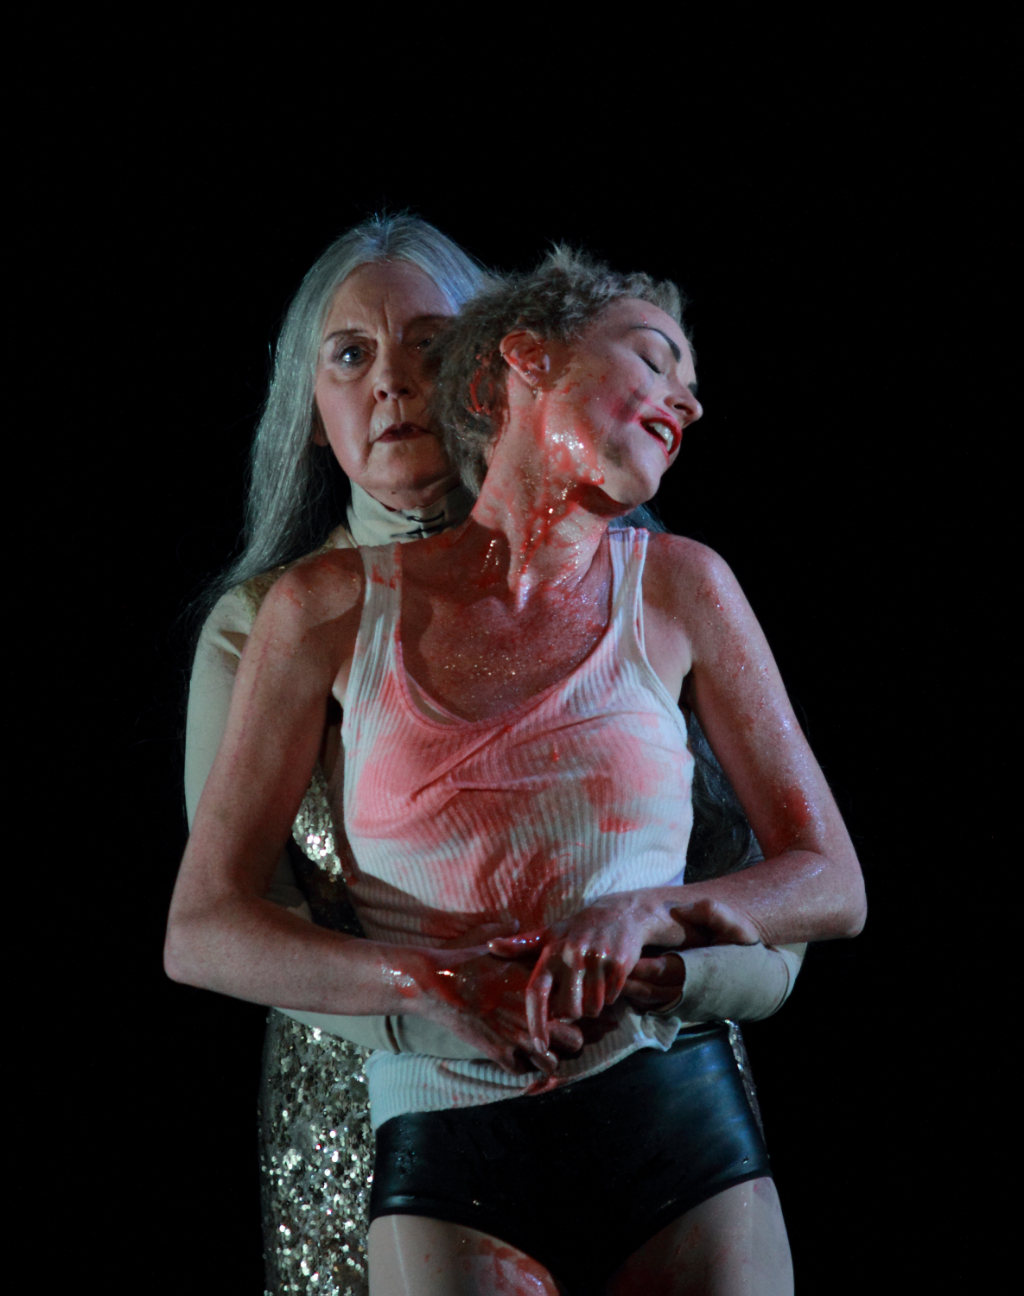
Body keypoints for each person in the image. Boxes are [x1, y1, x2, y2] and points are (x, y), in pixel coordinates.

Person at [171, 221, 848, 1292]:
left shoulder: (671, 584)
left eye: (430, 344)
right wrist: (428, 994)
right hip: (398, 1094)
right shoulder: (293, 616)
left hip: (663, 1086)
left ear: (485, 360)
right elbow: (214, 921)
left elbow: (802, 882)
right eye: (350, 354)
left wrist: (677, 956)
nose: (395, 382)